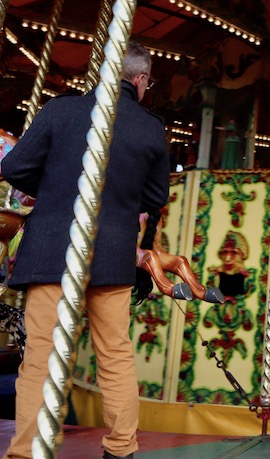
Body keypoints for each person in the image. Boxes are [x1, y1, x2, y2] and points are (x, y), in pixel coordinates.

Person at [0, 41, 170, 459]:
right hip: (111, 255)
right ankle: (120, 448)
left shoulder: (60, 111)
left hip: (53, 251)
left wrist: (59, 189)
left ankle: (25, 452)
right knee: (114, 354)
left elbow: (13, 167)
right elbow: (155, 195)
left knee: (40, 355)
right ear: (141, 79)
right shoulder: (150, 127)